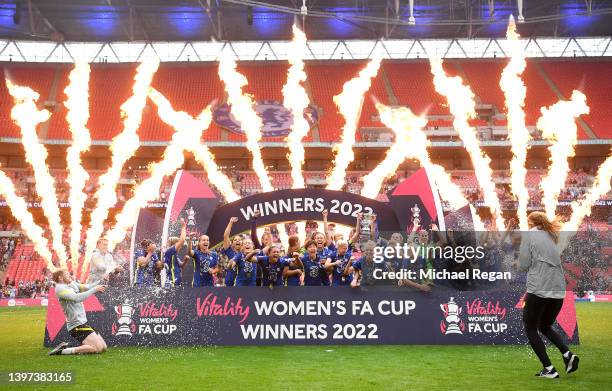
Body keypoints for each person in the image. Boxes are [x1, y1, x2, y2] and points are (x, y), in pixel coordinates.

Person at [519, 211, 579, 378]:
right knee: (544, 326)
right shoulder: (551, 236)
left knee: (530, 328)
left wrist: (519, 264)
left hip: (539, 288)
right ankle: (567, 354)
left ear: (531, 222)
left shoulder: (530, 235)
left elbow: (524, 264)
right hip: (558, 290)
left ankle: (549, 369)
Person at [48, 269, 108, 355]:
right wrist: (95, 289)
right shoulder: (59, 288)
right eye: (66, 274)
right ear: (60, 278)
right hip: (76, 326)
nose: (69, 275)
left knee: (103, 348)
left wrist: (101, 280)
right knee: (97, 348)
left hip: (82, 323)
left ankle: (67, 348)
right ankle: (63, 351)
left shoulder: (71, 284)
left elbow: (86, 287)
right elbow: (77, 298)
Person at [163, 218, 187, 286]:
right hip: (173, 281)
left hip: (172, 281)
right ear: (174, 245)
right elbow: (182, 240)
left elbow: (181, 265)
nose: (180, 248)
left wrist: (185, 260)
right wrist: (183, 227)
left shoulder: (171, 254)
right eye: (179, 246)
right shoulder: (170, 251)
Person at [221, 217, 241, 286]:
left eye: (239, 239)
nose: (237, 241)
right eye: (235, 240)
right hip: (230, 282)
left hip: (241, 283)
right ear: (232, 243)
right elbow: (226, 236)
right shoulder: (229, 250)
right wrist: (231, 222)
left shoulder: (245, 253)